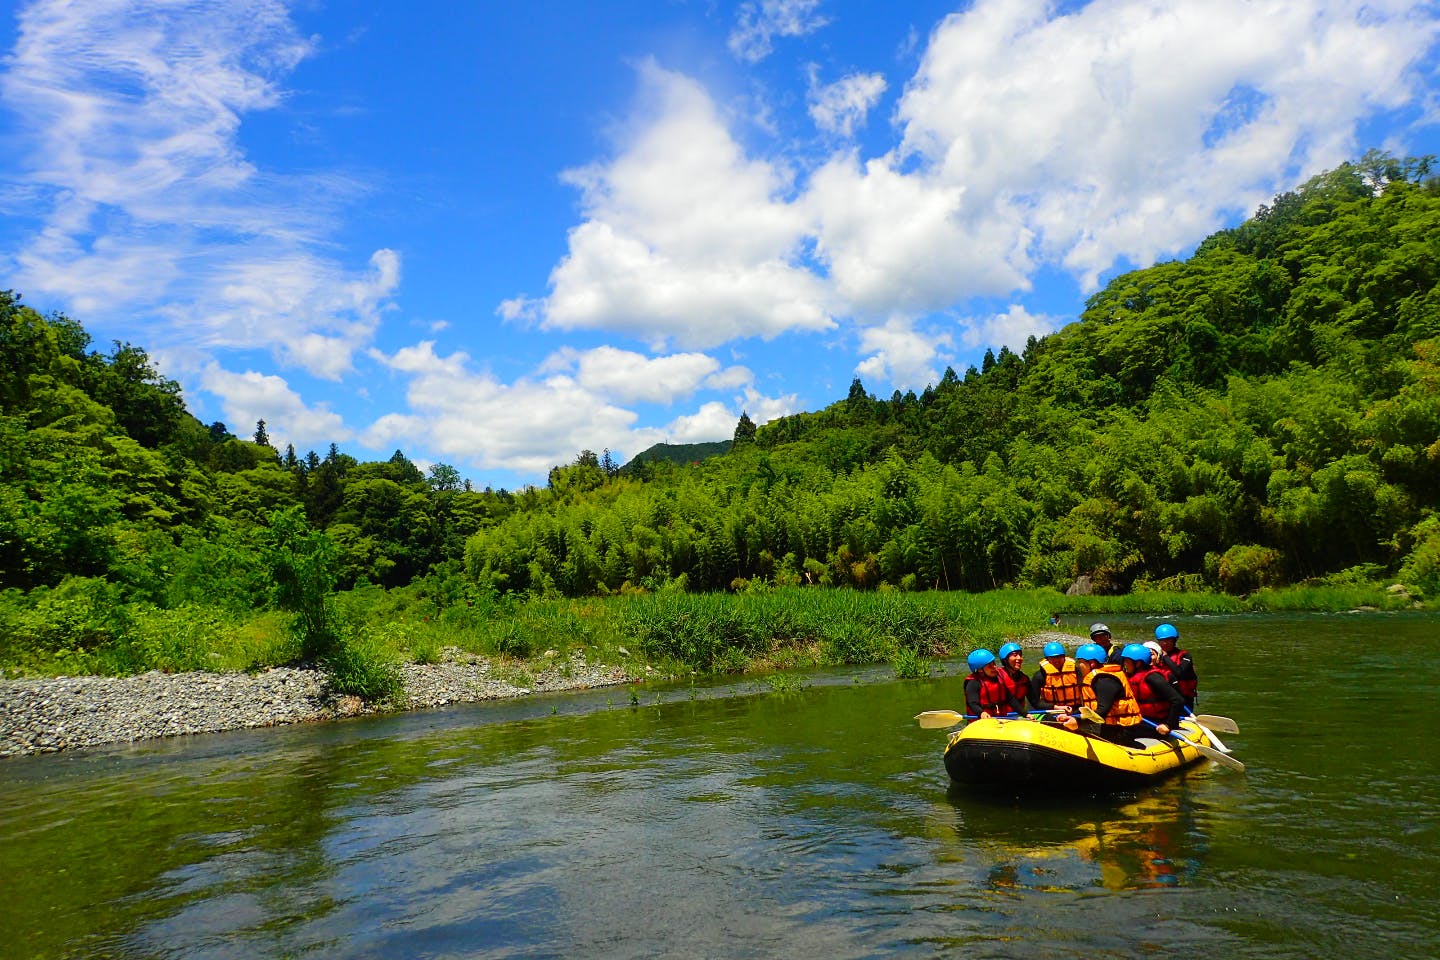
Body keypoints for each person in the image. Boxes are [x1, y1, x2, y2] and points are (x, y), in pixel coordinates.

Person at [1063, 642, 1165, 747]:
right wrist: (1071, 715)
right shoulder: (1097, 678)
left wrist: (1078, 721)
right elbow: (1090, 708)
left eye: (1080, 662)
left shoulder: (1104, 681)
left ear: (1092, 663)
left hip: (1121, 730)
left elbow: (1102, 711)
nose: (1079, 666)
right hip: (1110, 726)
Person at [1124, 643, 1184, 731]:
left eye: (1127, 661)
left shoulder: (1153, 677)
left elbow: (1178, 700)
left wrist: (1168, 725)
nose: (1125, 664)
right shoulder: (1131, 676)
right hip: (1142, 720)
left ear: (1138, 663)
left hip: (1156, 724)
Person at [964, 648, 1024, 719]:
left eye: (994, 663)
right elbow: (973, 703)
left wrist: (1025, 714)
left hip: (1001, 719)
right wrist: (981, 713)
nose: (994, 667)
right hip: (981, 721)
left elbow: (1011, 700)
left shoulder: (998, 679)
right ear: (980, 669)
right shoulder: (973, 683)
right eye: (990, 665)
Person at [1153, 623, 1198, 711]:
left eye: (1168, 640)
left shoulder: (1185, 656)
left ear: (1174, 640)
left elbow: (1179, 673)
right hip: (1165, 698)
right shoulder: (1155, 658)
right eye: (1162, 640)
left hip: (1184, 698)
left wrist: (1165, 657)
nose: (1165, 643)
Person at [1030, 640, 1083, 713]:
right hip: (1052, 711)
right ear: (1047, 659)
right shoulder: (1039, 676)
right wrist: (1056, 708)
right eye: (1052, 658)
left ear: (1064, 657)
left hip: (1075, 710)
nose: (1056, 660)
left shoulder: (1077, 672)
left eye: (1059, 657)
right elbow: (1035, 703)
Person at [996, 642, 1031, 708]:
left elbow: (1035, 702)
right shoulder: (996, 677)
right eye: (1015, 655)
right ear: (1005, 660)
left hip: (1020, 713)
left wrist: (1051, 707)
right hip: (1001, 714)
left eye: (1020, 655)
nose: (1019, 658)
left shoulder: (1024, 678)